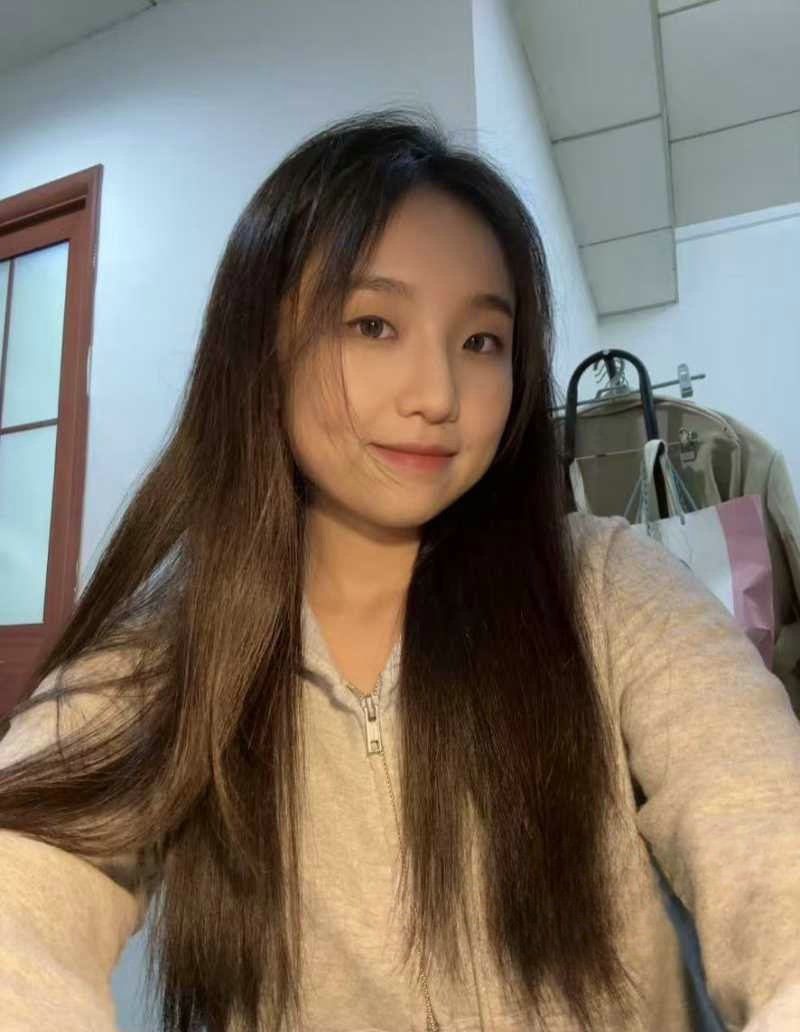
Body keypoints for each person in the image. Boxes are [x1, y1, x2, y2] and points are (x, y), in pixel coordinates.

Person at [1, 107, 798, 1032]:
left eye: (481, 342)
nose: (437, 395)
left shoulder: (611, 592)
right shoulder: (165, 661)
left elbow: (767, 833)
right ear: (261, 346)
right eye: (373, 324)